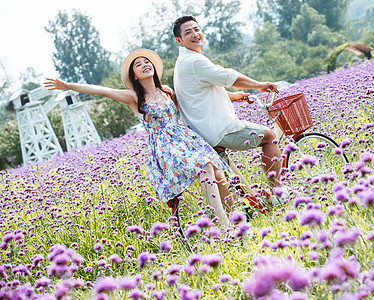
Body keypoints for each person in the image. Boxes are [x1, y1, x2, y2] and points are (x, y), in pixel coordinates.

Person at [44, 49, 233, 228]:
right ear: (134, 75)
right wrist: (67, 86)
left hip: (185, 138)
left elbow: (195, 99)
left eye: (147, 62)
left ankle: (236, 221)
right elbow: (100, 90)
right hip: (164, 146)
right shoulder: (134, 97)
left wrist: (233, 96)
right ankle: (223, 227)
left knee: (217, 173)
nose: (145, 65)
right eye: (138, 65)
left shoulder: (167, 91)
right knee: (206, 166)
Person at [172, 15, 287, 203]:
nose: (195, 34)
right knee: (270, 137)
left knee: (226, 181)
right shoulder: (194, 61)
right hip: (217, 130)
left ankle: (241, 213)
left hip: (201, 132)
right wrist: (258, 85)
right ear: (179, 40)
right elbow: (227, 76)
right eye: (188, 32)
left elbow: (202, 90)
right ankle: (278, 195)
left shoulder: (185, 61)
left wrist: (233, 96)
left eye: (196, 29)